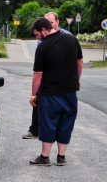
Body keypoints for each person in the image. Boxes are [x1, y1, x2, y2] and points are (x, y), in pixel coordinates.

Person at [28, 17, 83, 166]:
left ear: (44, 30)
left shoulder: (43, 47)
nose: (37, 37)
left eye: (37, 34)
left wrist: (34, 94)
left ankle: (44, 157)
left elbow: (38, 74)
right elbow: (79, 62)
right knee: (66, 123)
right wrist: (77, 79)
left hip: (50, 94)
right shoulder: (72, 40)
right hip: (70, 92)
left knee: (48, 123)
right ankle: (61, 157)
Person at [22, 12, 72, 139]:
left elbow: (74, 59)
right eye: (47, 22)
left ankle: (53, 133)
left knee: (58, 106)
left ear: (57, 22)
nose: (49, 24)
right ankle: (35, 129)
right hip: (45, 75)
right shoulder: (42, 39)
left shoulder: (67, 36)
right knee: (36, 100)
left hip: (61, 78)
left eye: (51, 22)